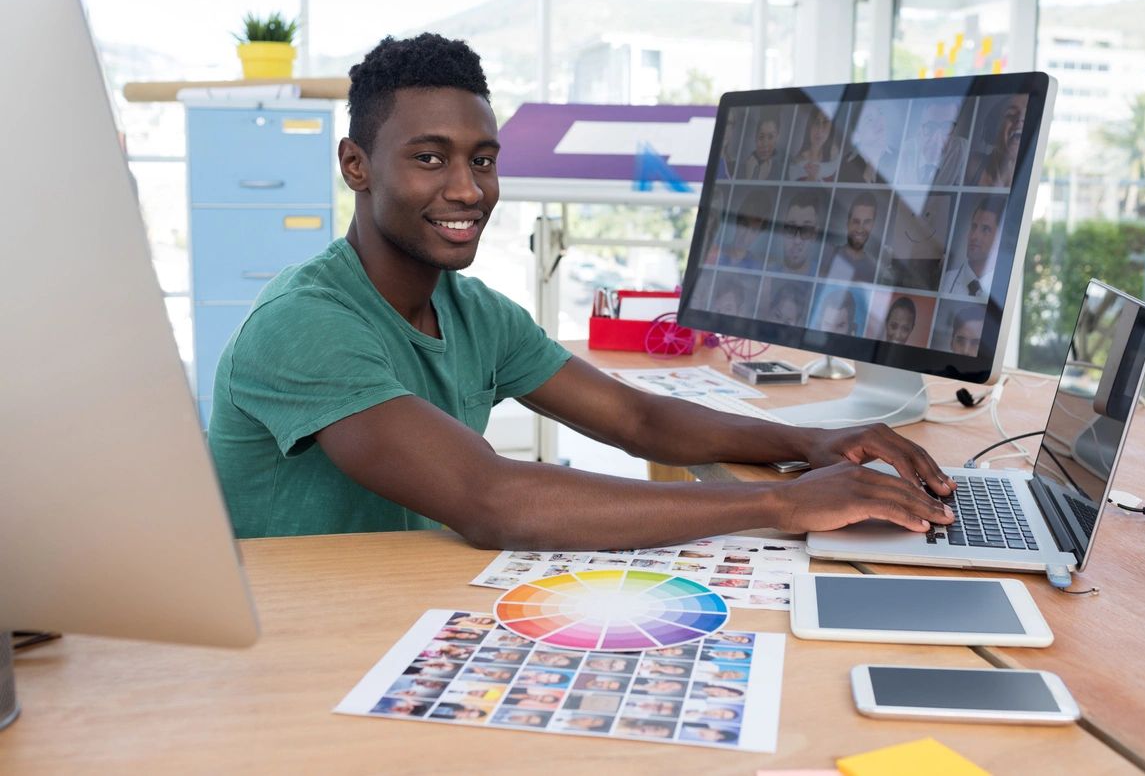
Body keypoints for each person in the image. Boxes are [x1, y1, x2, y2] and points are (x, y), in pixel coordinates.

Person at [208, 32, 954, 549]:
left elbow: (637, 419)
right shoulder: (305, 323)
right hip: (302, 639)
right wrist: (781, 502)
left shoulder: (473, 313)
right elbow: (491, 499)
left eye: (484, 160)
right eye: (430, 158)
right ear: (356, 165)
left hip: (401, 610)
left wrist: (809, 441)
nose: (467, 189)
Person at [940, 196, 1003, 299]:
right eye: (974, 227)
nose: (974, 236)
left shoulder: (1002, 291)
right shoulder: (945, 281)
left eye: (985, 229)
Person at [898, 99, 968, 186]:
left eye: (947, 127)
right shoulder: (904, 151)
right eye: (930, 127)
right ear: (919, 128)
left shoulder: (963, 149)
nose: (937, 140)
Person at [966, 95, 1025, 187]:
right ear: (993, 127)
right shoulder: (970, 165)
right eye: (1011, 114)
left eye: (1027, 116)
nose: (1019, 120)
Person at [824, 193, 880, 284]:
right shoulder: (828, 256)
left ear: (873, 226)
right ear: (847, 223)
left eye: (867, 222)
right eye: (856, 221)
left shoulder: (873, 269)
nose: (860, 229)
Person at [839, 102, 898, 184]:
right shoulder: (844, 166)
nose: (879, 122)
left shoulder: (900, 158)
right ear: (856, 134)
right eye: (869, 119)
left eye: (880, 113)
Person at [770, 190, 824, 277]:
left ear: (815, 235)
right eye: (791, 229)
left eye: (806, 230)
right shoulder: (768, 275)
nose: (797, 241)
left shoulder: (824, 278)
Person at [718, 190, 772, 269]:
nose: (745, 237)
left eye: (754, 230)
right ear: (737, 222)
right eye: (744, 225)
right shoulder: (715, 255)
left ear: (760, 233)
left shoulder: (757, 269)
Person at [788, 106, 839, 182]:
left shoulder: (834, 160)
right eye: (816, 123)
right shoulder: (796, 162)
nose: (819, 130)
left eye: (825, 123)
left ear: (831, 129)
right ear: (810, 127)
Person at [740, 112, 783, 180]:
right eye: (761, 137)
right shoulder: (743, 166)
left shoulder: (782, 168)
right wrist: (748, 177)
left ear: (777, 138)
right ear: (755, 137)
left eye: (770, 137)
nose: (765, 144)